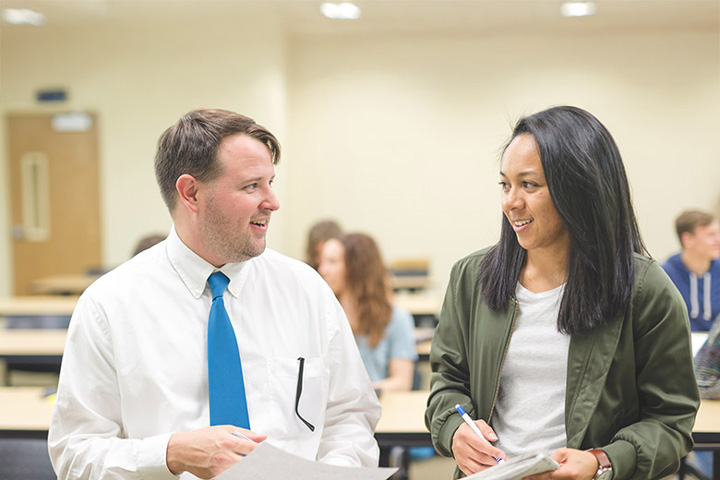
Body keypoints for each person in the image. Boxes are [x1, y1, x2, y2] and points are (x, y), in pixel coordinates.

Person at [48, 109, 380, 479]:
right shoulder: (109, 306)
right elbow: (75, 454)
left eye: (270, 182)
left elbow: (348, 418)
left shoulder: (306, 291)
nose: (272, 202)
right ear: (191, 193)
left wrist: (336, 472)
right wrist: (169, 453)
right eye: (252, 186)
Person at [425, 106, 699, 480]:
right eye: (505, 185)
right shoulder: (471, 278)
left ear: (580, 188)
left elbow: (670, 422)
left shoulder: (645, 289)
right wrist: (454, 429)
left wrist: (602, 461)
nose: (511, 202)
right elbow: (448, 385)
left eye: (530, 185)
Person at [318, 233, 417, 393]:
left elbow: (402, 382)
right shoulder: (323, 317)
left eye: (332, 262)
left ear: (356, 268)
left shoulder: (397, 319)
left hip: (380, 408)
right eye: (322, 262)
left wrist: (358, 393)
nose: (323, 270)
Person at [662, 210, 720, 331]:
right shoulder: (665, 275)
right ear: (687, 239)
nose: (718, 240)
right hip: (681, 345)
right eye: (711, 235)